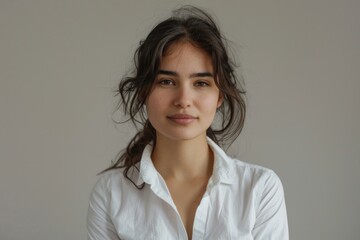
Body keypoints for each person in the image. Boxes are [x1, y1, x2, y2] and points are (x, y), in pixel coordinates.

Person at [87, 5, 288, 240]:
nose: (183, 100)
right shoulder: (110, 195)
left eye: (201, 83)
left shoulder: (260, 189)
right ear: (143, 91)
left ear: (220, 95)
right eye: (167, 82)